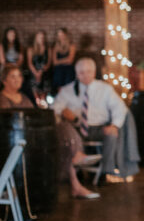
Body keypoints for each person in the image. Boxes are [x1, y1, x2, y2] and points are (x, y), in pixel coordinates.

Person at [1, 65, 100, 199]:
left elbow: (34, 116)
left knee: (63, 127)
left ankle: (77, 160)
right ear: (4, 80)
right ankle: (76, 175)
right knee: (61, 135)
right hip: (16, 141)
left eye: (19, 76)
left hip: (33, 136)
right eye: (13, 77)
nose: (17, 80)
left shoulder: (24, 97)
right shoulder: (2, 98)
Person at [53, 58, 139, 183]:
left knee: (112, 134)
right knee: (67, 135)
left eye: (88, 72)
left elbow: (119, 108)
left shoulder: (105, 89)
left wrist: (114, 125)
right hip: (77, 128)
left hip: (99, 127)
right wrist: (64, 111)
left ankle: (106, 171)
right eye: (81, 72)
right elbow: (55, 107)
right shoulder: (68, 90)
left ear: (93, 72)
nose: (85, 75)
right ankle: (76, 172)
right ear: (77, 74)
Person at [27, 30, 52, 102]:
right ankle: (37, 101)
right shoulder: (31, 49)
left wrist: (42, 71)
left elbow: (49, 63)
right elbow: (30, 63)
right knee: (33, 86)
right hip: (34, 72)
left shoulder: (48, 48)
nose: (41, 39)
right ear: (36, 38)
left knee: (46, 84)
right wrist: (36, 73)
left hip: (45, 72)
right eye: (39, 37)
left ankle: (43, 101)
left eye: (43, 37)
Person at [51, 28, 76, 93]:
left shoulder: (71, 46)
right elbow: (54, 62)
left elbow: (70, 60)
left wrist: (59, 61)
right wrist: (65, 60)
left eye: (62, 34)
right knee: (58, 83)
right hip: (59, 70)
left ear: (65, 35)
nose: (60, 36)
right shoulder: (55, 46)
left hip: (68, 69)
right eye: (59, 35)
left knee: (68, 86)